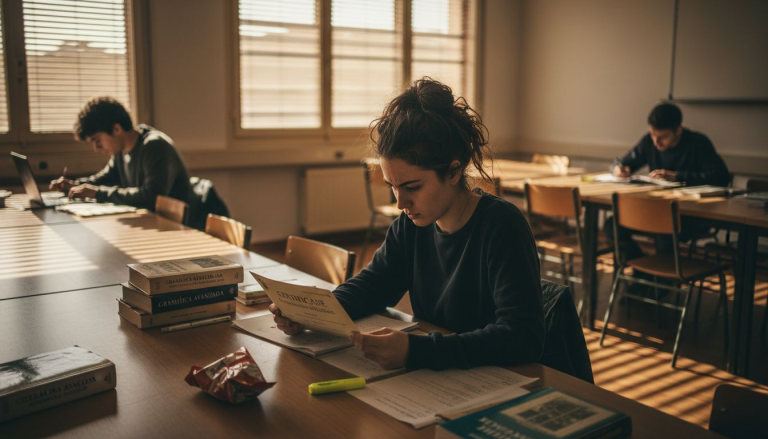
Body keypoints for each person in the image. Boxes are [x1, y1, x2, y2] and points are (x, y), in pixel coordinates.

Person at [270, 78, 545, 370]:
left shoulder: (502, 226)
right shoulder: (411, 225)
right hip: (444, 375)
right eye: (392, 187)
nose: (400, 203)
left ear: (453, 172)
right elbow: (375, 285)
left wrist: (418, 351)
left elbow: (523, 337)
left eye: (412, 187)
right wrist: (313, 313)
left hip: (501, 378)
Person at [607, 103, 729, 260]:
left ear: (678, 130)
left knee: (664, 232)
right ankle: (641, 268)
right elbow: (621, 162)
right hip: (656, 211)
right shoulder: (649, 142)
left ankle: (659, 274)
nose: (656, 142)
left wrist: (678, 177)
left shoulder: (698, 143)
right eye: (653, 135)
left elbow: (721, 176)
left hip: (689, 216)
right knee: (611, 226)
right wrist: (618, 168)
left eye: (663, 137)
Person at [49, 97, 196, 213]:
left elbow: (152, 197)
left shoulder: (154, 146)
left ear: (117, 129)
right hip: (151, 222)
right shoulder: (120, 152)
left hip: (180, 228)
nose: (96, 148)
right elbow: (104, 179)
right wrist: (75, 185)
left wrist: (97, 193)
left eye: (97, 140)